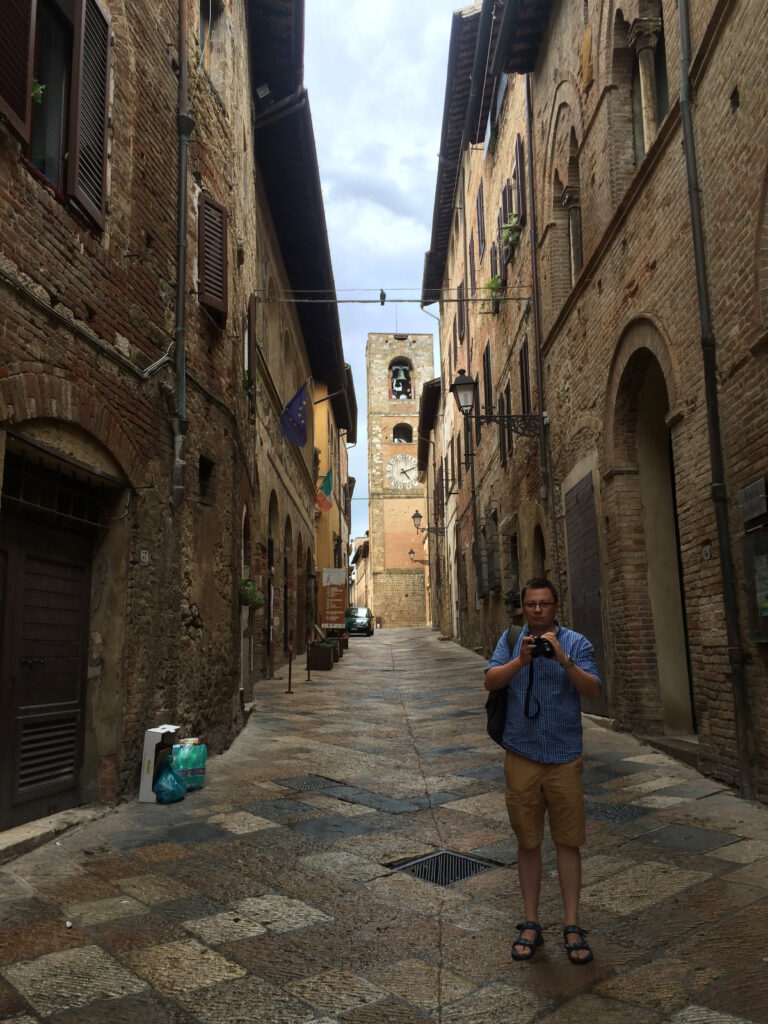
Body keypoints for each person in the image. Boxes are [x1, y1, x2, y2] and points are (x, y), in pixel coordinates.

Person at [485, 577, 601, 965]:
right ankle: (531, 922)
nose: (537, 610)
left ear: (556, 606)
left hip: (565, 756)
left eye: (544, 604)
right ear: (524, 607)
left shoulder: (577, 643)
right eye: (531, 604)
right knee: (528, 843)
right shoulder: (511, 639)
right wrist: (521, 660)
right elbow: (489, 680)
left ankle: (572, 924)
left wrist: (563, 659)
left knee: (568, 843)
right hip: (522, 755)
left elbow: (594, 691)